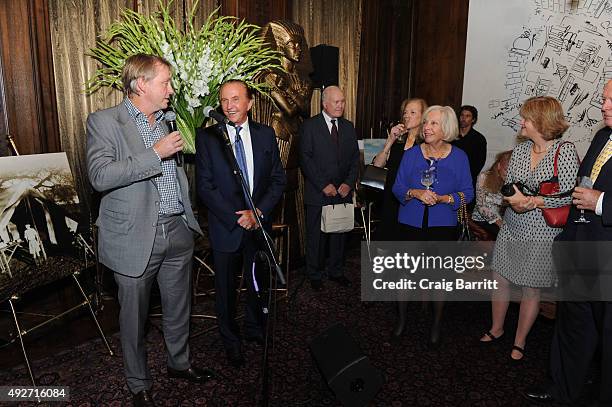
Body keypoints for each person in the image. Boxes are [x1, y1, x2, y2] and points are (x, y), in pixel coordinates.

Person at [86, 53, 212, 406]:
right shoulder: (105, 122)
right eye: (166, 82)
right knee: (134, 319)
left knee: (178, 308)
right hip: (135, 236)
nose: (171, 89)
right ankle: (138, 384)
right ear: (142, 84)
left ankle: (179, 363)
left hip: (177, 231)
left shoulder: (168, 120)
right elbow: (99, 177)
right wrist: (154, 154)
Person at [524, 79, 612, 405]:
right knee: (573, 327)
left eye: (610, 100)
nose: (603, 106)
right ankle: (561, 388)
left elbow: (594, 196)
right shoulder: (603, 136)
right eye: (604, 99)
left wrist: (602, 203)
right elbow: (580, 189)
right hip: (580, 249)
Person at [480, 96, 579, 362]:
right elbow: (509, 185)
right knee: (499, 279)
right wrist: (515, 200)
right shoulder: (522, 150)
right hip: (512, 225)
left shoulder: (564, 151)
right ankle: (496, 328)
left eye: (526, 118)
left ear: (542, 122)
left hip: (542, 231)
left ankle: (520, 341)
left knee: (530, 288)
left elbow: (569, 196)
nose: (521, 122)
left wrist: (534, 201)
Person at [195, 80, 286, 368]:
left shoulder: (266, 135)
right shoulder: (208, 138)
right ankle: (230, 341)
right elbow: (205, 188)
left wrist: (258, 212)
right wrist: (238, 216)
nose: (229, 105)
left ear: (249, 103)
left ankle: (254, 328)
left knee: (258, 281)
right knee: (225, 289)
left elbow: (277, 179)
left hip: (259, 223)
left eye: (235, 99)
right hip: (226, 227)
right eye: (224, 100)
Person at [392, 105, 474, 344]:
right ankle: (401, 320)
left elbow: (468, 193)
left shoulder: (460, 157)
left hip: (443, 225)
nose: (427, 127)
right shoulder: (411, 154)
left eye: (433, 123)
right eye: (426, 122)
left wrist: (444, 199)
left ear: (446, 127)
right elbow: (397, 188)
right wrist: (415, 192)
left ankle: (436, 324)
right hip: (410, 223)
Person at [299, 86, 359, 291]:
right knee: (316, 236)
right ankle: (314, 274)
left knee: (339, 234)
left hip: (342, 192)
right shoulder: (309, 126)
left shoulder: (349, 127)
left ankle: (336, 271)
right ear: (325, 103)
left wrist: (348, 184)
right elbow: (305, 159)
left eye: (342, 101)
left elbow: (354, 160)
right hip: (318, 192)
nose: (341, 105)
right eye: (337, 102)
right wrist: (323, 184)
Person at [372, 98, 428, 242]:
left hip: (412, 200)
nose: (407, 115)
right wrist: (390, 140)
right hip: (390, 198)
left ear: (423, 116)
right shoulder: (398, 141)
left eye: (412, 112)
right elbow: (377, 165)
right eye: (405, 112)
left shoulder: (426, 144)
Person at [471, 150, 512, 240]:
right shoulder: (484, 177)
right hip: (483, 220)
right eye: (506, 169)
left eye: (512, 170)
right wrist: (501, 224)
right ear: (499, 166)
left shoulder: (515, 181)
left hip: (506, 220)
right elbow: (482, 206)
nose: (509, 173)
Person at [452, 105, 487, 193]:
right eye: (462, 115)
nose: (463, 118)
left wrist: (467, 177)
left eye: (467, 116)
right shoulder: (451, 136)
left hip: (468, 180)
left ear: (473, 120)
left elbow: (479, 163)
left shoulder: (479, 139)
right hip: (450, 177)